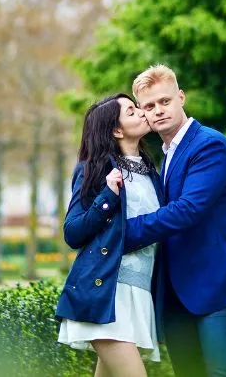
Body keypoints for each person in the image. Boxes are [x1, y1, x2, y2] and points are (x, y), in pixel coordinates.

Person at [110, 64, 226, 377]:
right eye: (149, 106)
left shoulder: (209, 145)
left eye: (165, 101)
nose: (158, 111)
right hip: (176, 294)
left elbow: (189, 209)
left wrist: (122, 233)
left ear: (181, 97)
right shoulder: (166, 155)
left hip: (214, 285)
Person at [57, 94, 163, 376]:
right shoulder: (95, 168)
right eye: (131, 111)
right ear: (117, 130)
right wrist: (108, 195)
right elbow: (73, 232)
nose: (142, 112)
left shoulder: (151, 172)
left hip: (137, 293)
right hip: (106, 291)